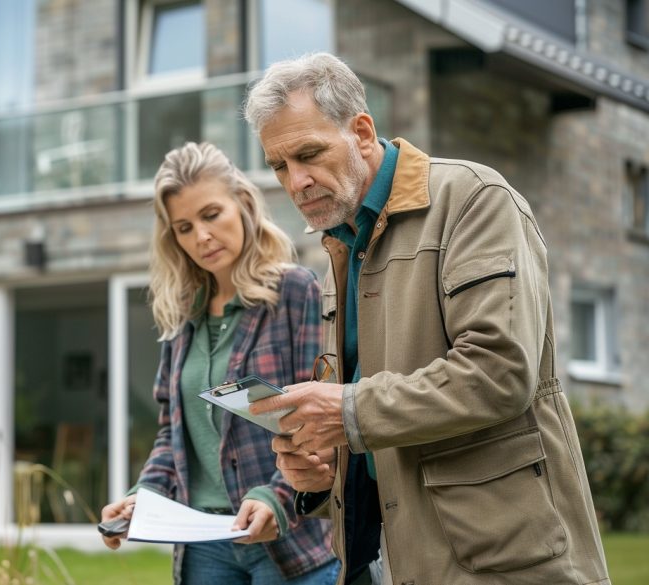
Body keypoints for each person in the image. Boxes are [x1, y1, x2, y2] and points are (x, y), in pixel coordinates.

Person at [243, 52, 611, 585]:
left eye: (308, 154)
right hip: (381, 561)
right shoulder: (338, 247)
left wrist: (345, 410)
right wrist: (321, 476)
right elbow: (374, 426)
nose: (296, 181)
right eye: (280, 166)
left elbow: (497, 373)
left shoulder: (474, 200)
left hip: (499, 563)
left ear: (363, 133)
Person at [99, 142, 339, 585]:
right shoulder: (185, 315)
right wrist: (144, 499)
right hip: (202, 548)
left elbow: (320, 421)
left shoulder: (296, 292)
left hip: (289, 545)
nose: (201, 237)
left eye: (211, 215)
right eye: (184, 228)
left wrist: (276, 497)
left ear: (243, 205)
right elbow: (173, 434)